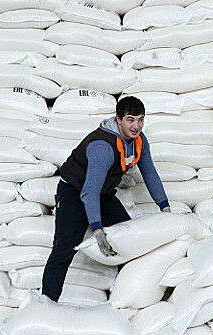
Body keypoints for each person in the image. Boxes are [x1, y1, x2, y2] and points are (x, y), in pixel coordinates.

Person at [42, 96, 170, 302]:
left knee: (128, 241)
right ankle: (46, 301)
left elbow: (150, 173)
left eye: (140, 119)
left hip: (102, 193)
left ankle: (126, 298)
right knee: (64, 249)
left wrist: (165, 207)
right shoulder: (103, 146)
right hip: (74, 192)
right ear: (118, 119)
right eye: (130, 120)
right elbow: (88, 192)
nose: (136, 126)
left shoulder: (139, 141)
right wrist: (98, 229)